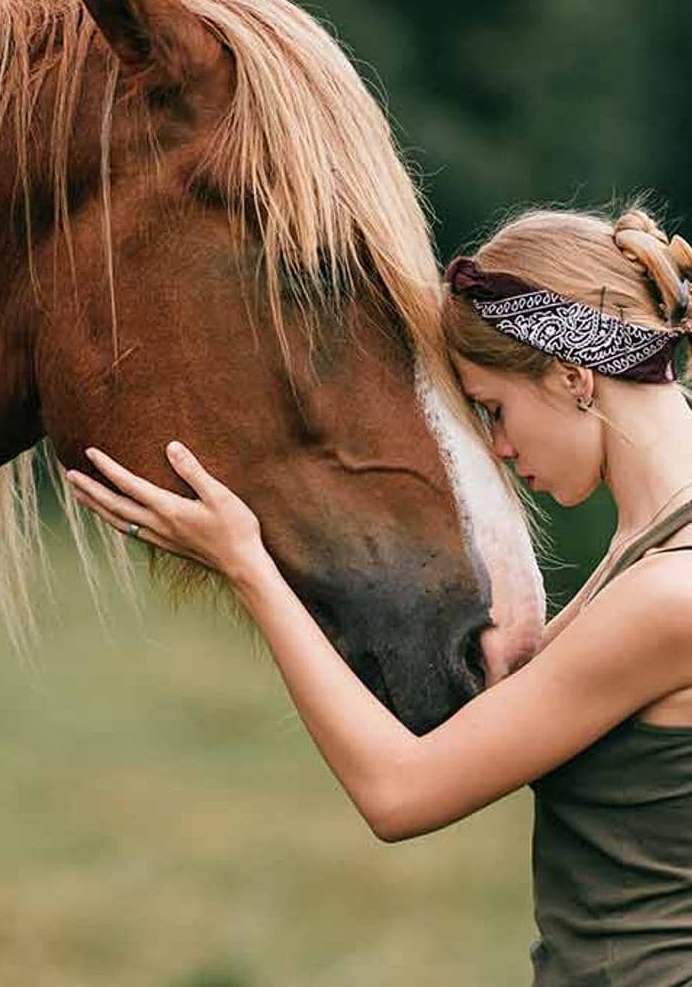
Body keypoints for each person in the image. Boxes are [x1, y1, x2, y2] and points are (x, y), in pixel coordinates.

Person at [66, 206, 692, 985]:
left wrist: (250, 567)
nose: (498, 447)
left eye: (492, 409)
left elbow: (399, 792)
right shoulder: (647, 559)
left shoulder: (669, 598)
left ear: (572, 375)